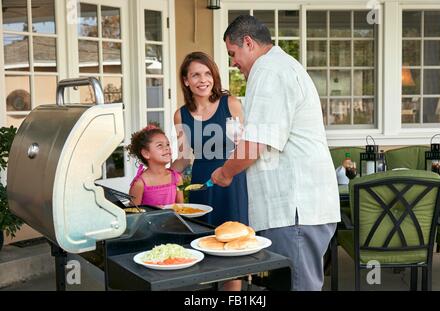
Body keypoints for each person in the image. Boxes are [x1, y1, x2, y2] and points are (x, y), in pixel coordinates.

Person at [211, 15, 341, 291]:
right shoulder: (279, 67)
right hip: (297, 210)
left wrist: (224, 173)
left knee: (297, 287)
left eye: (233, 54)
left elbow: (255, 144)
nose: (233, 62)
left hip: (295, 209)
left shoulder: (269, 70)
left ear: (248, 42)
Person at [173, 51, 248, 291]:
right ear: (186, 80)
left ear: (214, 77)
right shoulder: (181, 114)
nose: (202, 80)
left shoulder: (230, 104)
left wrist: (228, 172)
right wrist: (160, 176)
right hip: (201, 187)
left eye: (207, 73)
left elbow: (245, 149)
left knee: (231, 251)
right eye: (195, 75)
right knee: (204, 248)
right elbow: (184, 158)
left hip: (231, 183)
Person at [127, 123, 184, 206]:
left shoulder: (177, 178)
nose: (167, 148)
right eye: (160, 145)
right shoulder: (139, 184)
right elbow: (133, 214)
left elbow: (182, 207)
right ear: (146, 153)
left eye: (168, 144)